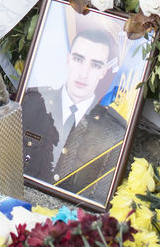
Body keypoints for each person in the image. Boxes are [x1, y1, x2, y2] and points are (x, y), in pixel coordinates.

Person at [21, 19, 129, 203]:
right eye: (79, 59)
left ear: (103, 71)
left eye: (95, 65)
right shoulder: (31, 103)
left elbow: (100, 196)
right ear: (68, 60)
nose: (84, 73)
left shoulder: (115, 131)